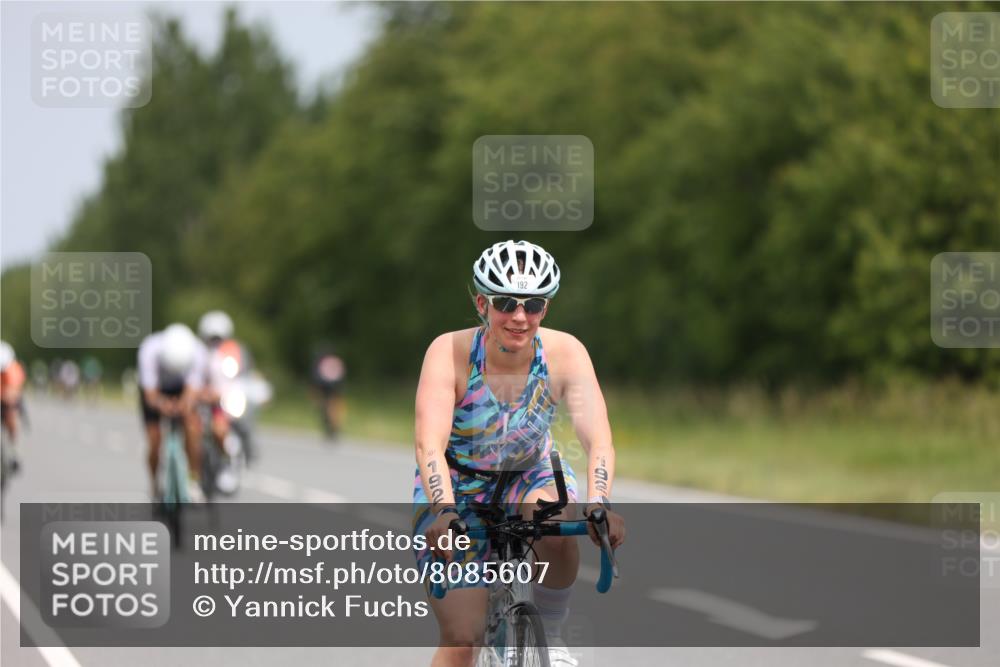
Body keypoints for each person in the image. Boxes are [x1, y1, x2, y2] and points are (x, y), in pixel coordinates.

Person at [412, 240, 626, 667]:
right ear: (481, 303)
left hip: (529, 474)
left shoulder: (566, 353)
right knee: (462, 638)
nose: (519, 316)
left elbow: (597, 438)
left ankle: (553, 629)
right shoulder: (449, 352)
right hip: (458, 486)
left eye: (533, 304)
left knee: (560, 519)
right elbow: (428, 443)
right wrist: (443, 511)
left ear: (545, 309)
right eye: (505, 303)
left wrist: (600, 504)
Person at [137, 323, 206, 503]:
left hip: (182, 389)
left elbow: (192, 391)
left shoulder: (198, 352)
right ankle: (154, 485)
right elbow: (150, 395)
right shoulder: (149, 350)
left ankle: (193, 481)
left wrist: (184, 405)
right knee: (154, 440)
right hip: (156, 388)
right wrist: (162, 405)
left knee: (192, 428)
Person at [311, 345, 346, 440]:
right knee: (333, 409)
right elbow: (341, 376)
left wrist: (315, 389)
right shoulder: (336, 361)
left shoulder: (321, 362)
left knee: (325, 409)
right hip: (336, 389)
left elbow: (316, 377)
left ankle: (329, 428)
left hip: (325, 389)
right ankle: (334, 428)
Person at [1, 341, 27, 469]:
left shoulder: (13, 369)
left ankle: (14, 452)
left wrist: (9, 398)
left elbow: (14, 389)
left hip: (7, 400)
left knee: (11, 417)